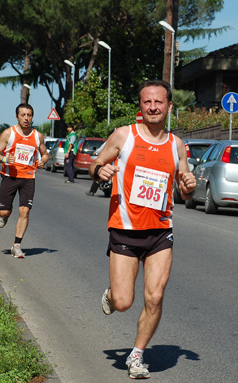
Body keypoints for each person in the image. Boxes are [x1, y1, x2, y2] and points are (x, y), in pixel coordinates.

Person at [89, 79, 197, 379]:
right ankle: (111, 295)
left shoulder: (176, 145)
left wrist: (189, 185)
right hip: (124, 229)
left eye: (158, 102)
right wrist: (101, 170)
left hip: (161, 232)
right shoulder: (124, 136)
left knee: (155, 297)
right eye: (147, 102)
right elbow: (95, 163)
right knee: (124, 302)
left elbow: (184, 186)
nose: (152, 107)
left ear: (169, 106)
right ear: (141, 105)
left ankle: (136, 355)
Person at [0, 103, 49, 259]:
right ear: (17, 116)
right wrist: (4, 158)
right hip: (10, 176)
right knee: (4, 211)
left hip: (29, 178)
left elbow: (45, 154)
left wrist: (43, 161)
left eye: (29, 115)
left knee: (25, 211)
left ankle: (17, 245)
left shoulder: (37, 136)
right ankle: (4, 215)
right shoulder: (9, 133)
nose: (26, 118)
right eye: (23, 115)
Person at [86, 128, 116, 196]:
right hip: (115, 163)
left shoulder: (108, 142)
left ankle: (92, 191)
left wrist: (96, 152)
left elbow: (100, 150)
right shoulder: (122, 142)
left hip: (107, 161)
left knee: (99, 174)